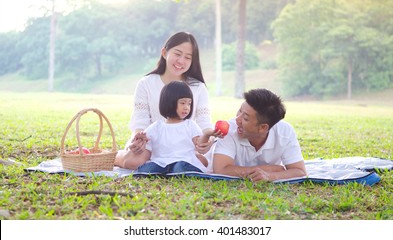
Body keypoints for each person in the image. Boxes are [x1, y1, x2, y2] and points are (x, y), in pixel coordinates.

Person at [115, 31, 214, 167]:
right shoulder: (146, 83)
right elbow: (141, 121)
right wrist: (139, 140)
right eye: (177, 54)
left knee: (205, 162)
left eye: (187, 57)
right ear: (164, 52)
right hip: (151, 143)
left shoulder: (198, 87)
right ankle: (116, 156)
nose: (181, 61)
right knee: (134, 163)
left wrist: (207, 140)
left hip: (184, 145)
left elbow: (205, 123)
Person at [118, 81, 222, 173]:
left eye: (189, 104)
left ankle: (175, 170)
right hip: (161, 162)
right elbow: (145, 142)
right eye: (183, 103)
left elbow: (199, 144)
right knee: (146, 169)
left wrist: (207, 135)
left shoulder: (190, 125)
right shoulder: (156, 127)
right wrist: (140, 138)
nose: (187, 107)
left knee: (180, 167)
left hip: (184, 161)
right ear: (169, 102)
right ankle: (168, 170)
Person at [212, 88, 307, 182]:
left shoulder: (284, 132)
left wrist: (270, 176)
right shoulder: (230, 129)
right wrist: (271, 169)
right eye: (240, 111)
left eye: (245, 118)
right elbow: (220, 170)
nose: (237, 119)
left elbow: (300, 171)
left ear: (263, 128)